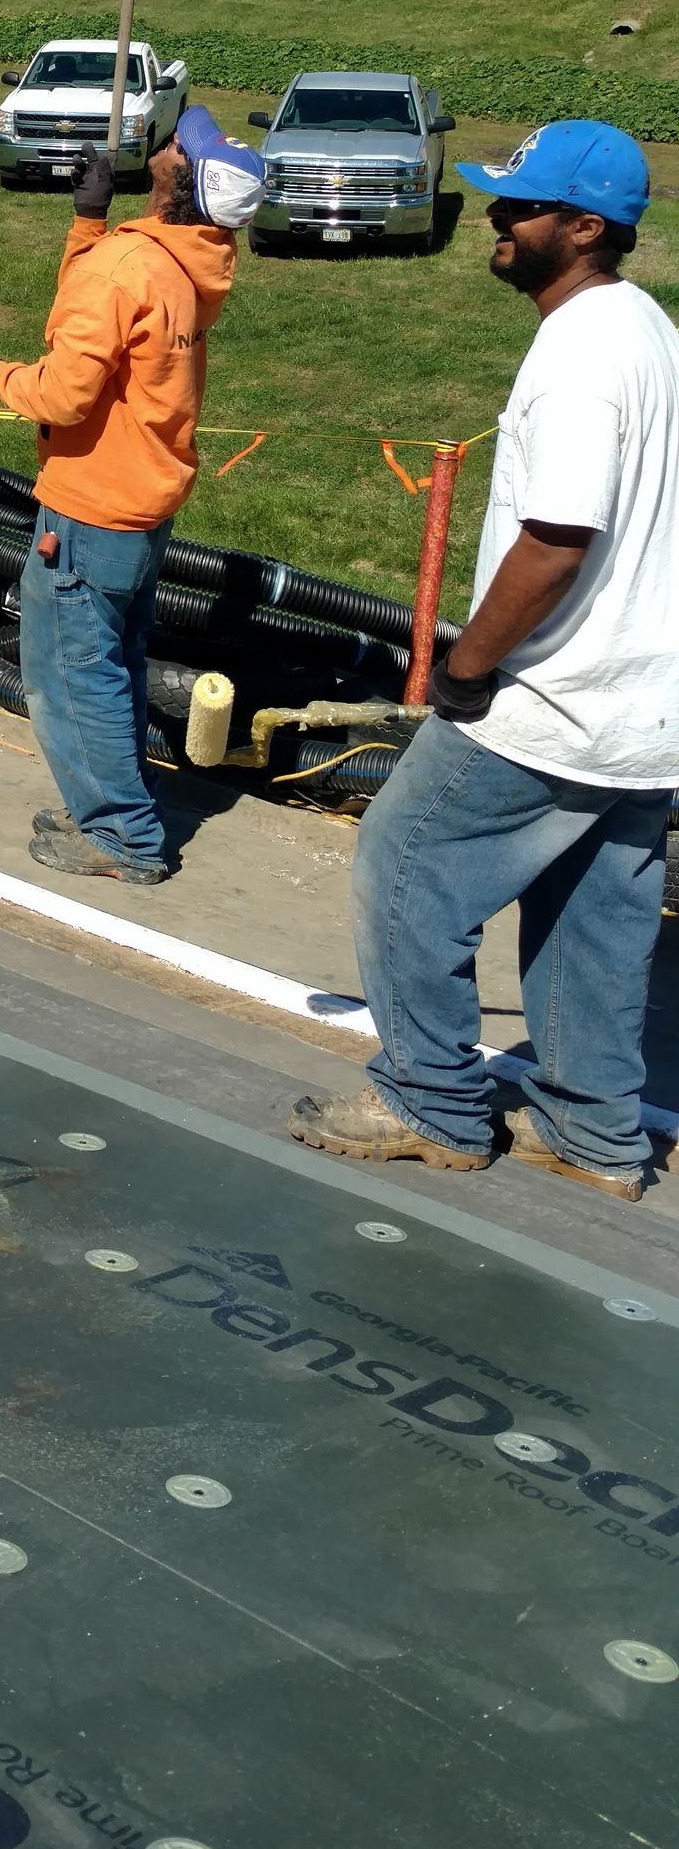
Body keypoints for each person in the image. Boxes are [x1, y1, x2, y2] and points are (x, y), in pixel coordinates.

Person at [291, 119, 677, 1200]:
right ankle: (594, 1132)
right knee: (595, 914)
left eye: (522, 208)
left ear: (586, 227)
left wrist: (469, 668)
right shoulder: (647, 327)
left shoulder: (578, 356)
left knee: (405, 864)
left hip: (556, 696)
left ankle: (431, 1102)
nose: (498, 224)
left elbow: (557, 537)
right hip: (648, 710)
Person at [0, 105, 265, 885]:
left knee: (69, 675)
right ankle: (118, 800)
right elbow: (95, 322)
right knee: (111, 663)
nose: (164, 147)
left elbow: (62, 390)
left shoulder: (132, 266)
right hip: (141, 502)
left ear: (181, 182)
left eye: (177, 149)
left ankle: (123, 836)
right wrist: (90, 221)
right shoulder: (192, 258)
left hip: (90, 510)